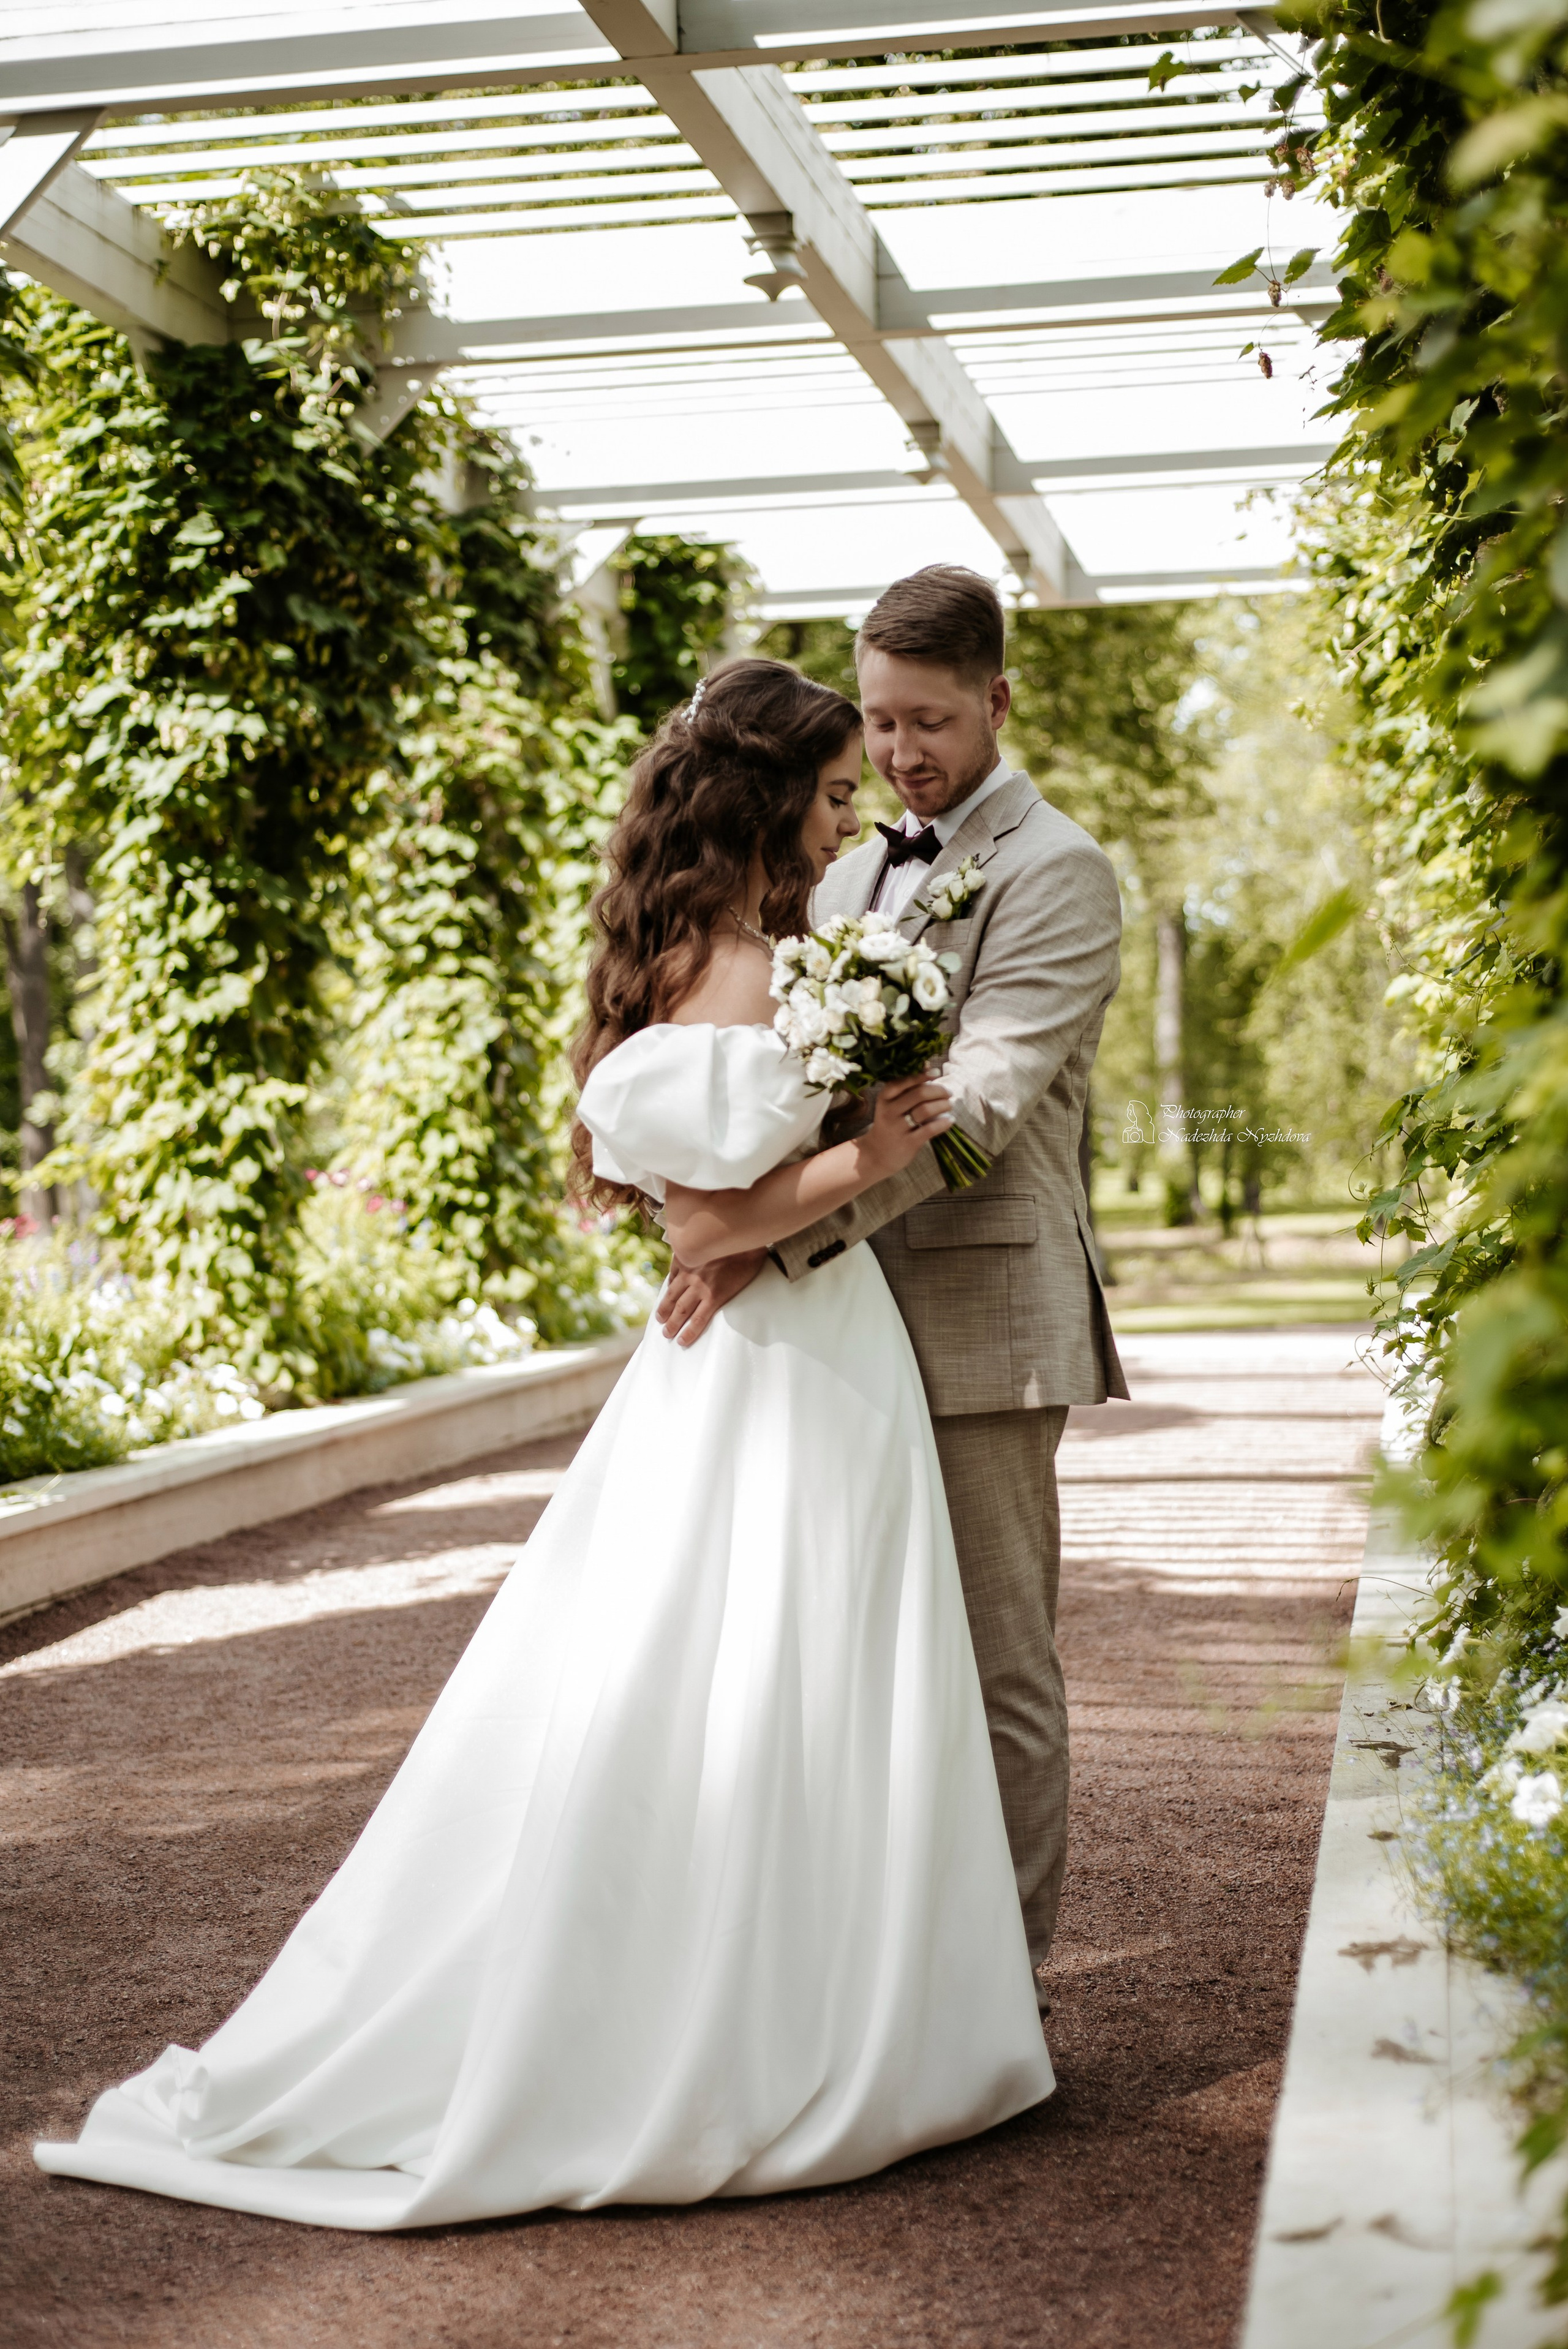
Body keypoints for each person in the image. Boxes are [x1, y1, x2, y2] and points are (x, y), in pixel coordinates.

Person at [34, 657, 1052, 2232]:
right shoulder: (735, 964)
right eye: (837, 789)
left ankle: (819, 2012)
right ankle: (773, 2030)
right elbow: (714, 1217)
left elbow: (702, 1211)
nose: (854, 813)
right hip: (788, 1362)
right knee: (767, 1681)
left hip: (801, 1354)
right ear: (772, 799)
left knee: (777, 1685)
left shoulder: (724, 944)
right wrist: (870, 1142)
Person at [658, 572, 1127, 2005]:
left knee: (993, 1670)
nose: (901, 752)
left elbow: (972, 1111)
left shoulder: (1059, 871)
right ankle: (873, 1978)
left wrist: (764, 1242)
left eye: (929, 720)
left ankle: (995, 1995)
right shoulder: (848, 863)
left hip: (980, 1317)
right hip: (833, 1320)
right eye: (878, 721)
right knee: (854, 1653)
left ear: (996, 698)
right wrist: (710, 1201)